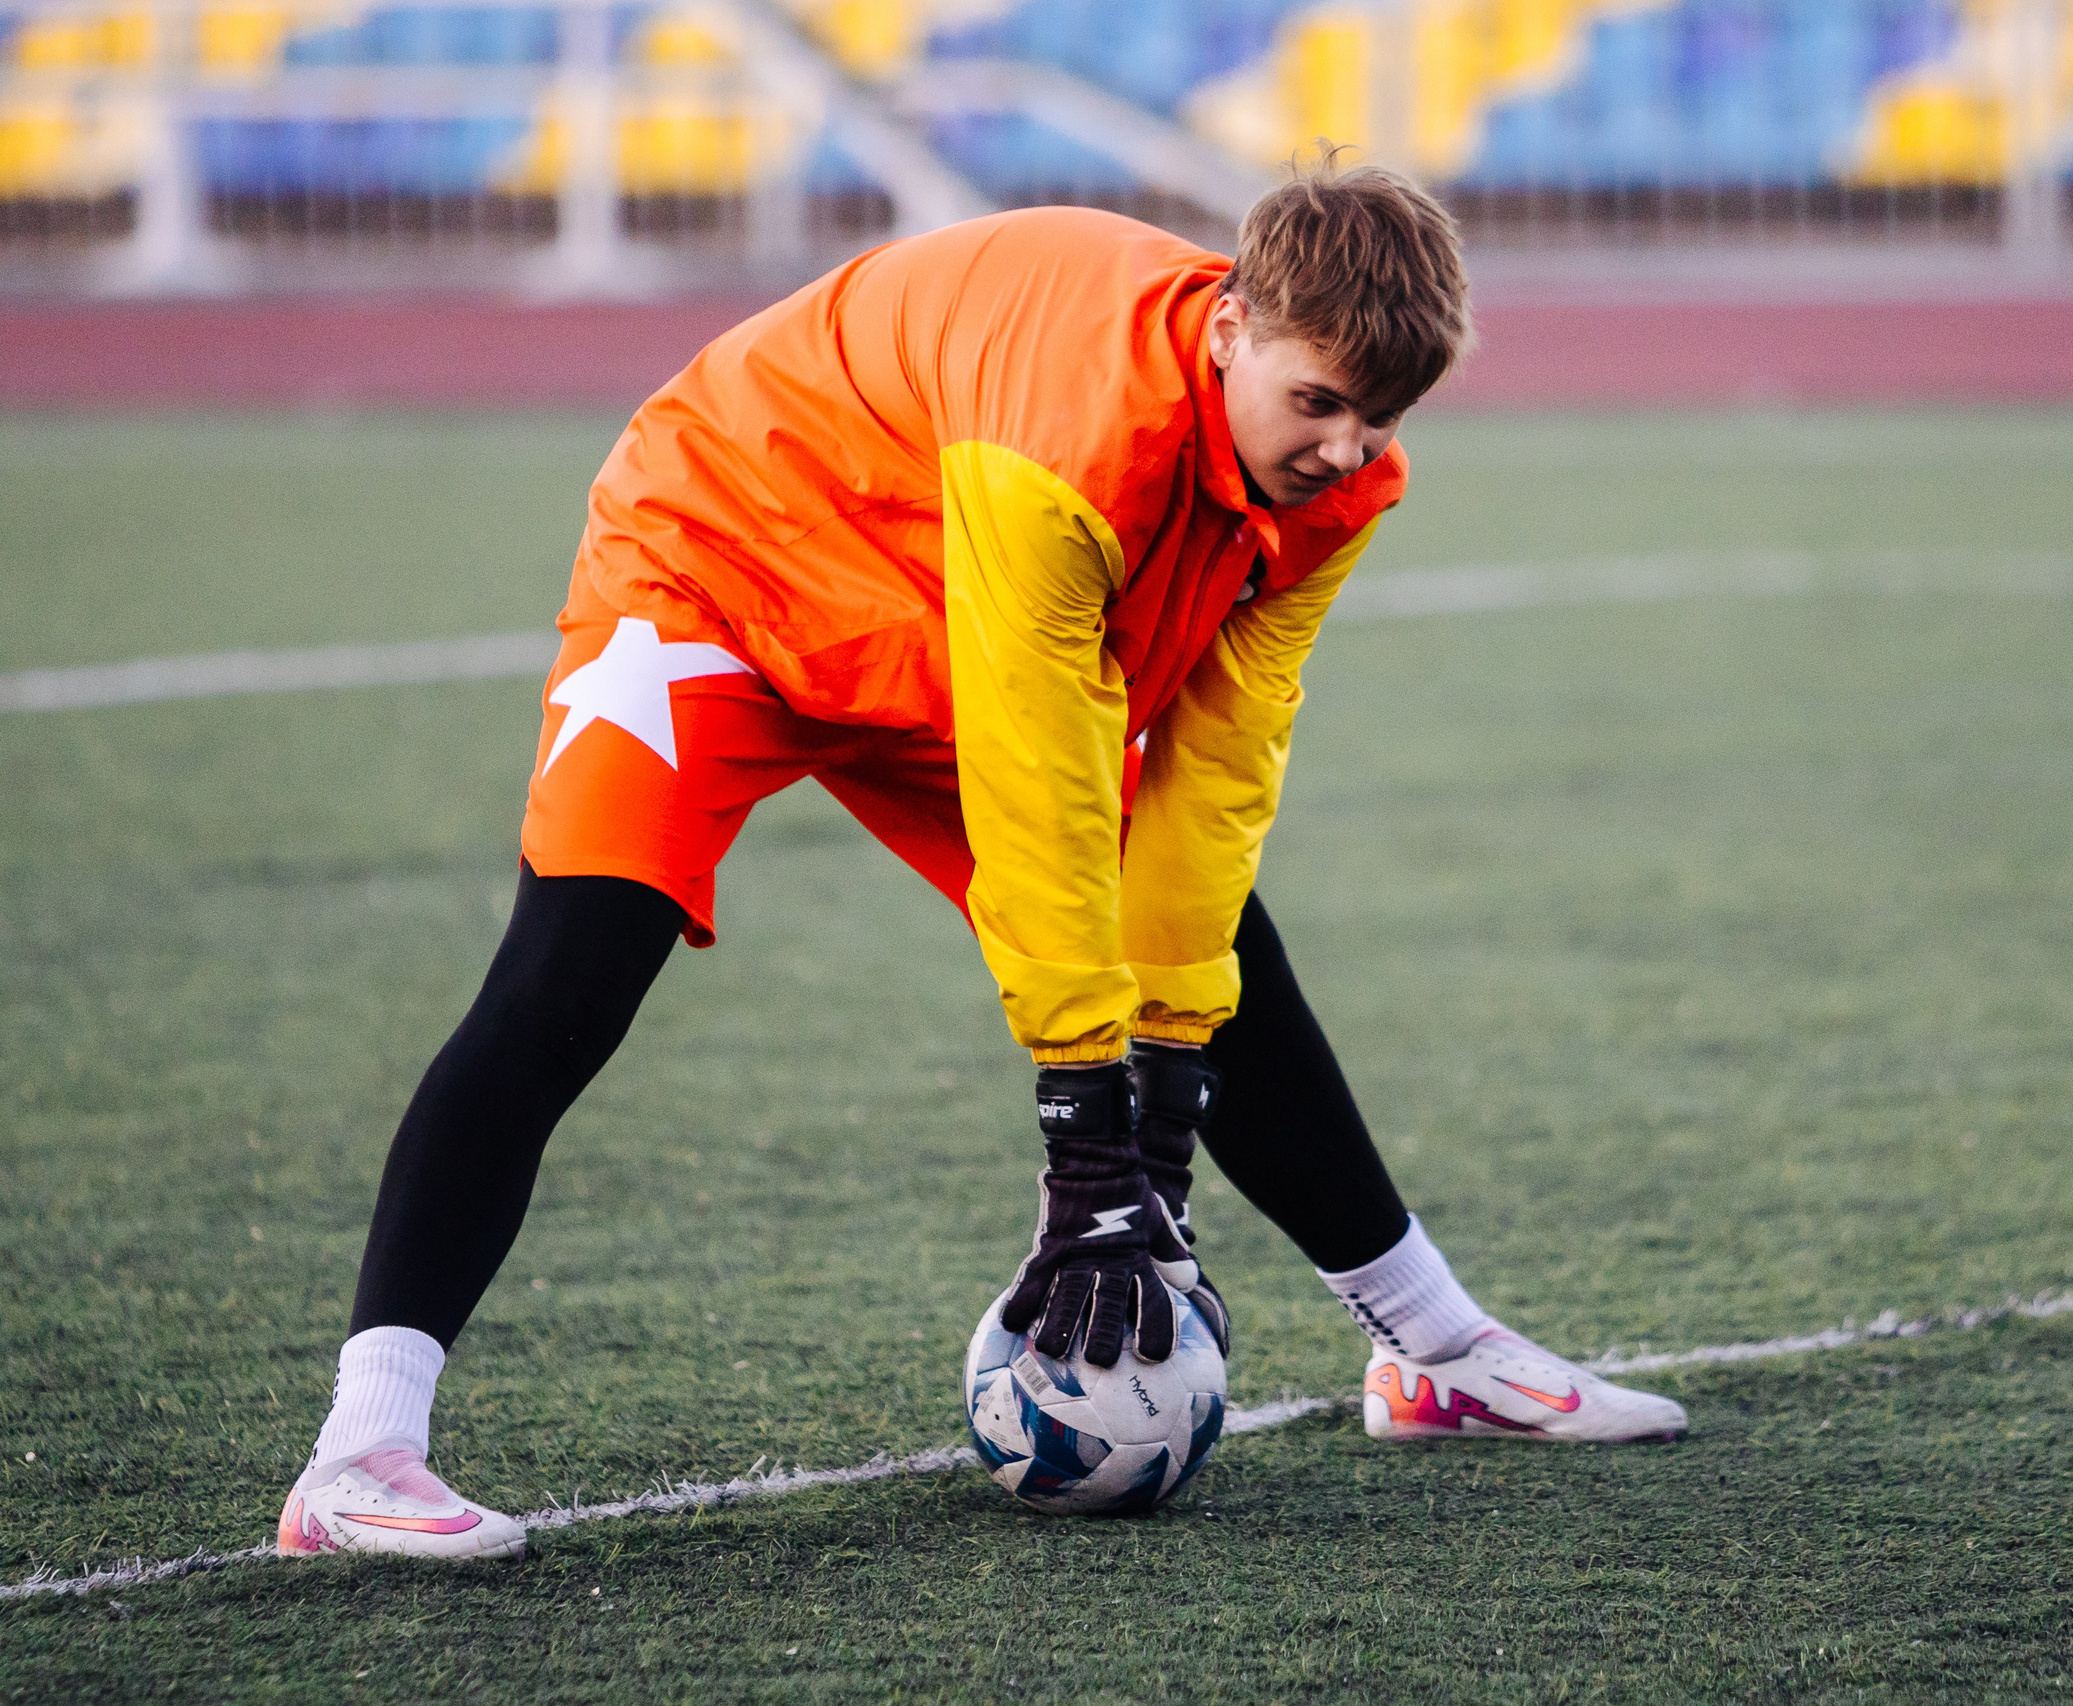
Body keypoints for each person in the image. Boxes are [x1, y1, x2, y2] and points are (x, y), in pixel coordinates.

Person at [275, 162, 1685, 1562]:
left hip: (936, 602)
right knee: (572, 964)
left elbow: (1218, 780)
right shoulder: (1077, 422)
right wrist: (1089, 1147)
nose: (1344, 444)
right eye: (1315, 401)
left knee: (1209, 936)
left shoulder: (1339, 482)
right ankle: (361, 1453)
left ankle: (1435, 1348)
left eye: (1379, 417)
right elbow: (1039, 782)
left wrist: (1167, 1135)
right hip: (729, 550)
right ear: (1227, 325)